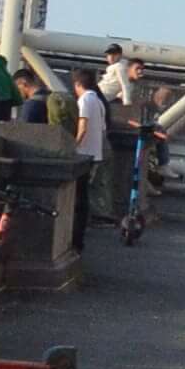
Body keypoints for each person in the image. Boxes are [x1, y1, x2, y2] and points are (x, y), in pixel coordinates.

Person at [69, 67, 107, 251]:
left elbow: (82, 126)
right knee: (83, 197)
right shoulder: (98, 101)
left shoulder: (84, 100)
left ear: (78, 84)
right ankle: (80, 238)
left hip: (83, 152)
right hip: (95, 153)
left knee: (78, 200)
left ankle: (76, 239)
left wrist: (73, 145)